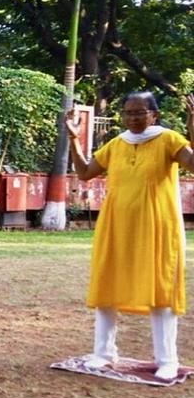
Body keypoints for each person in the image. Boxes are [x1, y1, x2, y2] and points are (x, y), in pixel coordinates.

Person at [65, 91, 194, 380]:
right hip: (116, 225)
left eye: (140, 112)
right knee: (107, 284)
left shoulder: (169, 139)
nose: (133, 118)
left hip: (157, 227)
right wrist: (74, 138)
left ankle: (167, 359)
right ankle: (103, 353)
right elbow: (85, 172)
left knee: (159, 288)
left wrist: (192, 125)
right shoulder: (117, 144)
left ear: (154, 115)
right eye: (128, 113)